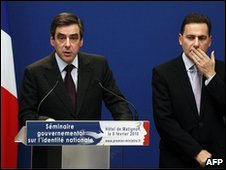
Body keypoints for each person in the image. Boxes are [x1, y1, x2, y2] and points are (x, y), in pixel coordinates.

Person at [18, 12, 132, 168]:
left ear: (81, 41)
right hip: (50, 158)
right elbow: (26, 115)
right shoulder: (34, 72)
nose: (67, 44)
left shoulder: (98, 66)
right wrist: (47, 124)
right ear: (52, 40)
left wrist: (124, 128)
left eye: (73, 38)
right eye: (61, 37)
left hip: (90, 156)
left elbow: (118, 103)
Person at [152, 13, 225, 168]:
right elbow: (164, 121)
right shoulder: (163, 73)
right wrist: (197, 152)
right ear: (180, 39)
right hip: (177, 159)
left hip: (216, 160)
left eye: (202, 38)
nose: (196, 44)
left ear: (210, 41)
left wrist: (211, 76)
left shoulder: (222, 70)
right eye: (190, 37)